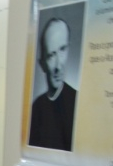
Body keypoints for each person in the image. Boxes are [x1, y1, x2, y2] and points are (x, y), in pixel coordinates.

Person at [28, 18, 77, 151]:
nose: (58, 65)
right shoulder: (36, 108)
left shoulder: (77, 103)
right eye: (50, 55)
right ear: (42, 64)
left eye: (62, 49)